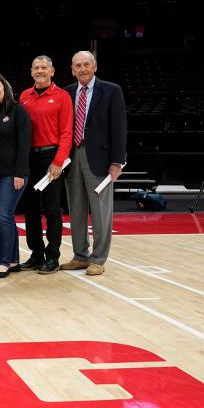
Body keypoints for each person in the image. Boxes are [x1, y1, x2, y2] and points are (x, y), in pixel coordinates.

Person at [61, 51, 127, 276]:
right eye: (77, 65)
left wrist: (117, 161)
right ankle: (80, 255)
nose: (82, 69)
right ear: (72, 69)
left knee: (101, 210)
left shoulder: (111, 90)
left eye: (86, 64)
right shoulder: (68, 93)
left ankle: (98, 258)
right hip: (73, 157)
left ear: (95, 66)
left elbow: (119, 128)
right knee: (76, 208)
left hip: (99, 158)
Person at [18, 55, 73, 275]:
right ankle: (36, 254)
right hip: (28, 158)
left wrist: (58, 162)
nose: (40, 71)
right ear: (31, 72)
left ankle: (53, 256)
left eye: (44, 67)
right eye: (36, 68)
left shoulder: (62, 96)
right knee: (30, 210)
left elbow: (67, 133)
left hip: (50, 158)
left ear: (52, 71)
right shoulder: (24, 96)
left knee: (52, 210)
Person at [0, 74, 32, 278]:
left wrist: (19, 173)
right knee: (6, 217)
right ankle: (13, 260)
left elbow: (24, 145)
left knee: (3, 215)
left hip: (13, 174)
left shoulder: (18, 111)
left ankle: (3, 262)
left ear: (5, 88)